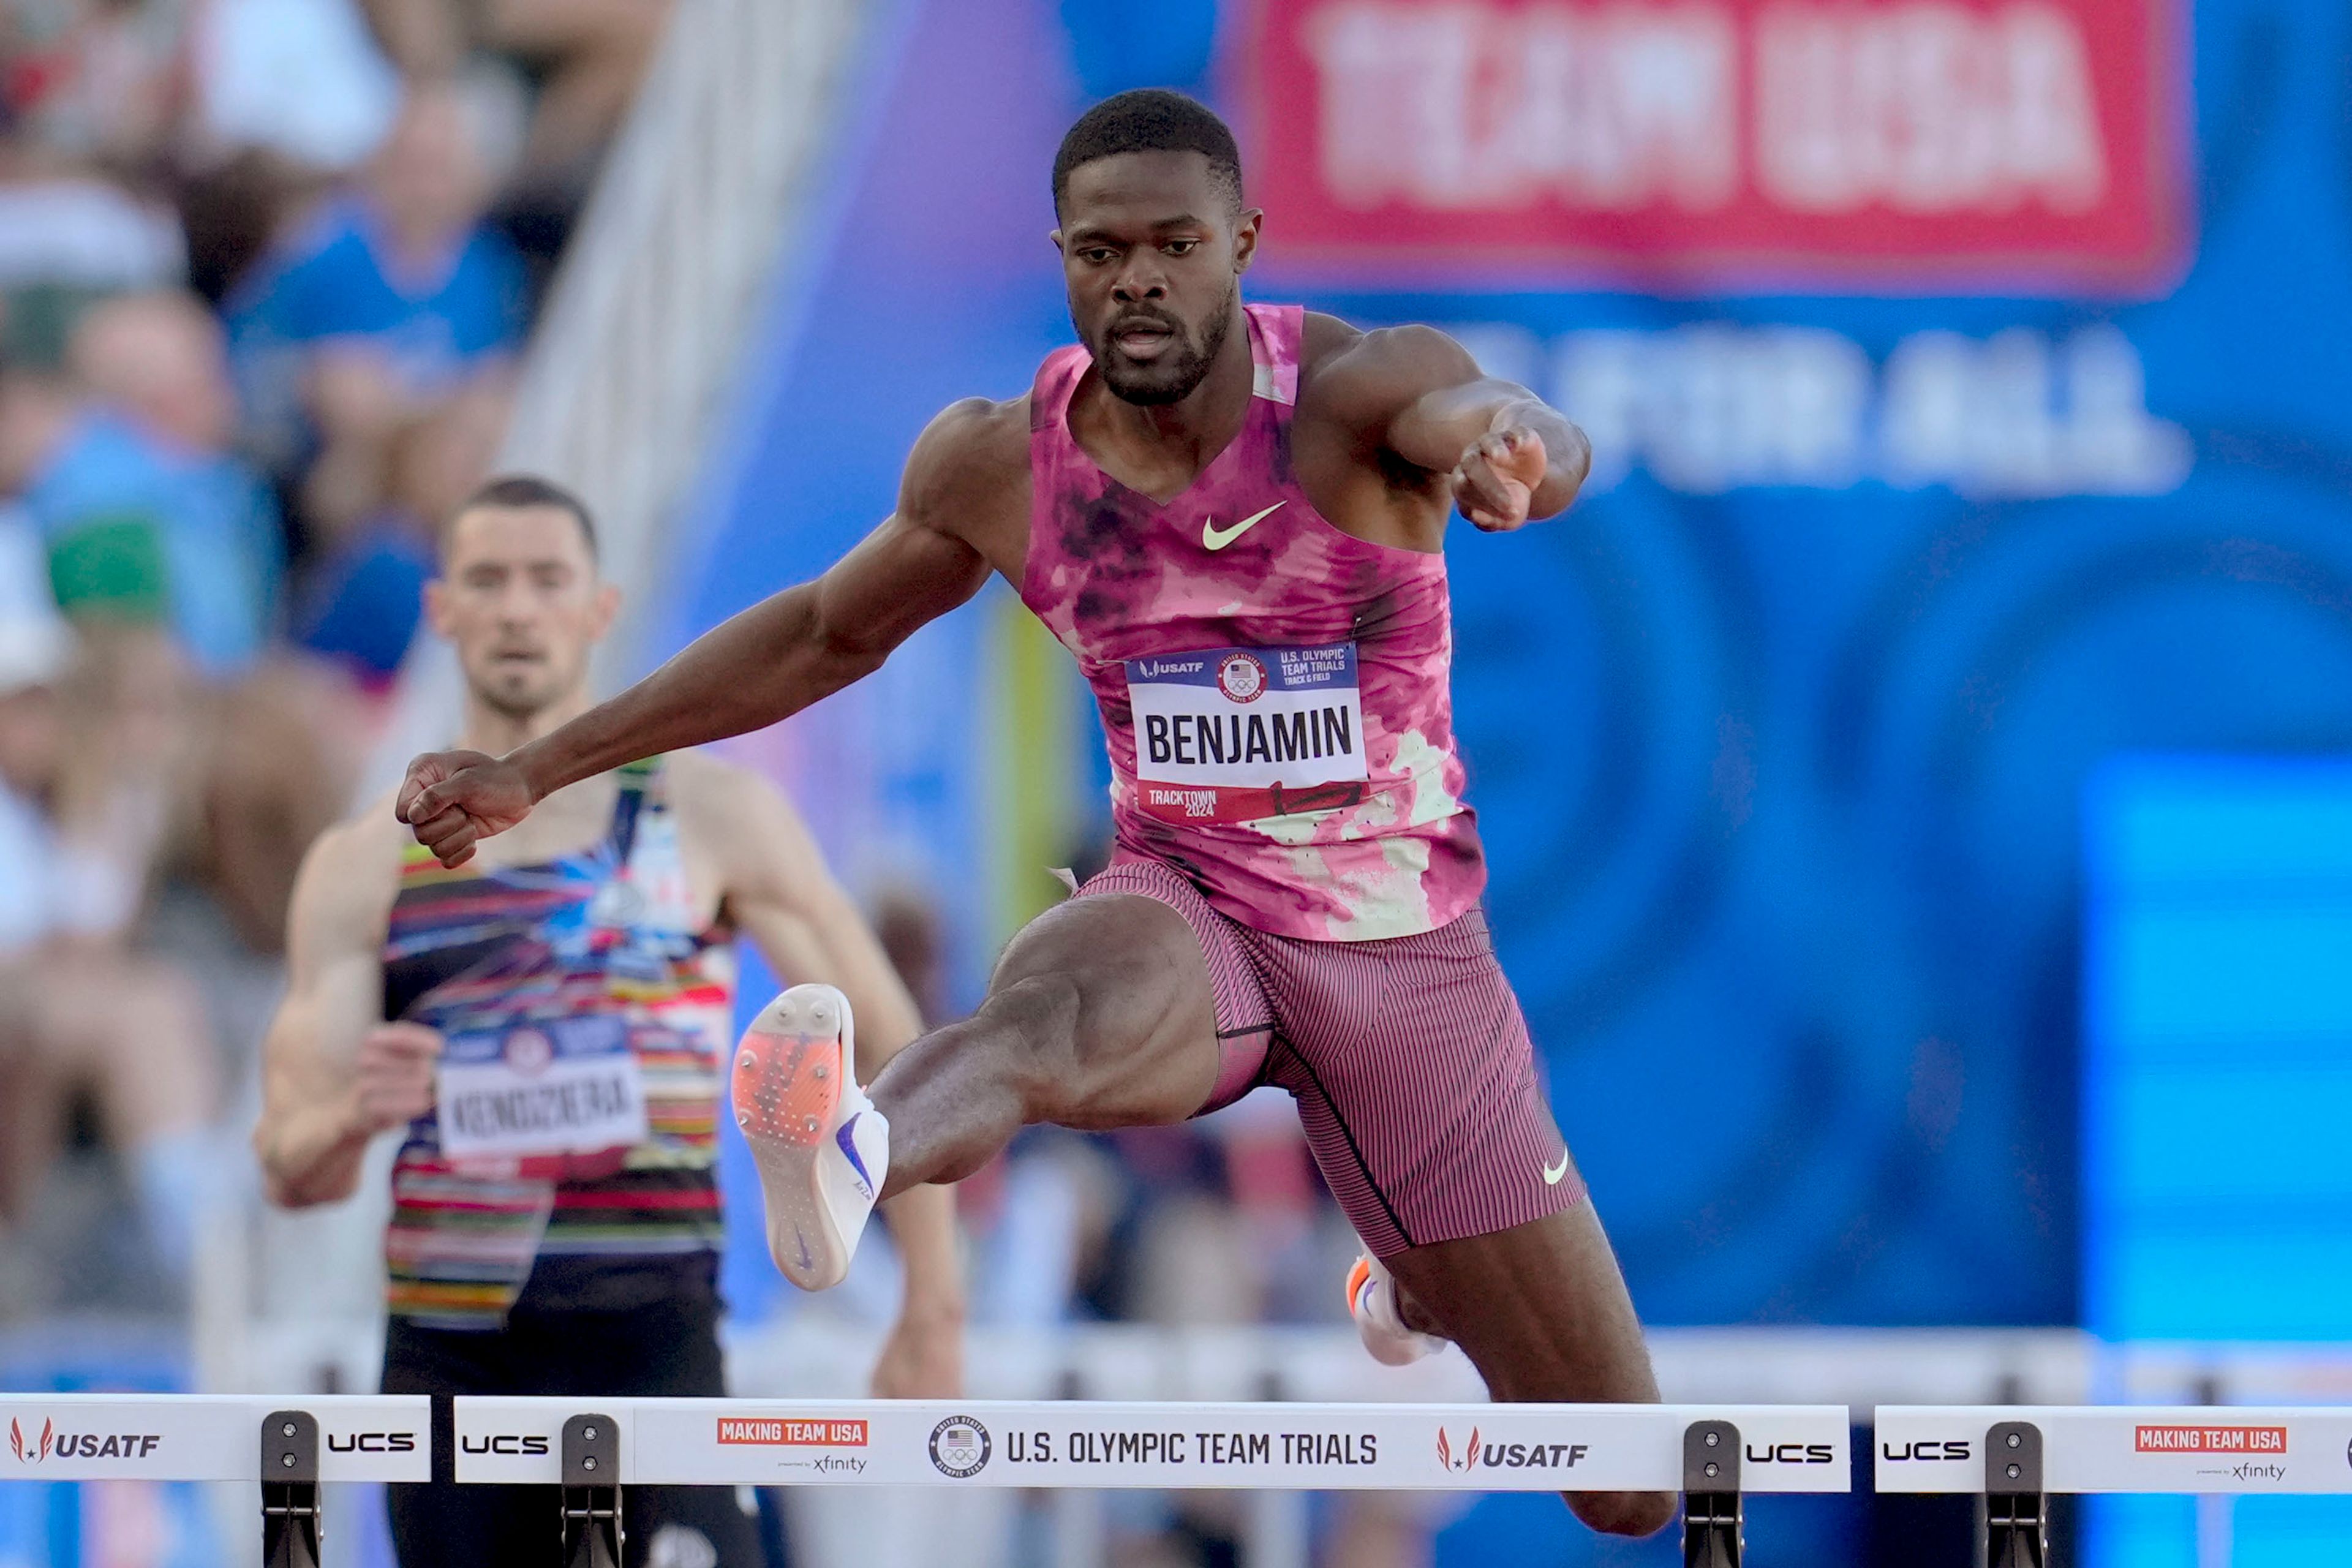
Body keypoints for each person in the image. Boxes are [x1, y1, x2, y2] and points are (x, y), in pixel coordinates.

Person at [399, 91, 1675, 1539]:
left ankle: (1410, 1271)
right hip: (1191, 909)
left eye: (1175, 245)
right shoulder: (1003, 465)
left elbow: (1503, 421)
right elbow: (821, 631)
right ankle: (847, 1150)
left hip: (1402, 958)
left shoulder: (1357, 395)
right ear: (1063, 258)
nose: (1137, 278)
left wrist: (1522, 450)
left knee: (1624, 1482)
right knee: (1042, 1016)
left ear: (1240, 245)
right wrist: (542, 764)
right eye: (1101, 250)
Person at [255, 475, 963, 1567]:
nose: (519, 608)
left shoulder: (710, 815)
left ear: (598, 609)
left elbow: (892, 1040)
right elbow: (291, 1166)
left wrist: (934, 1303)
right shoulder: (364, 867)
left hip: (652, 1339)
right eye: (489, 580)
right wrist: (355, 1114)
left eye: (549, 580)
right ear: (444, 611)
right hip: (452, 1357)